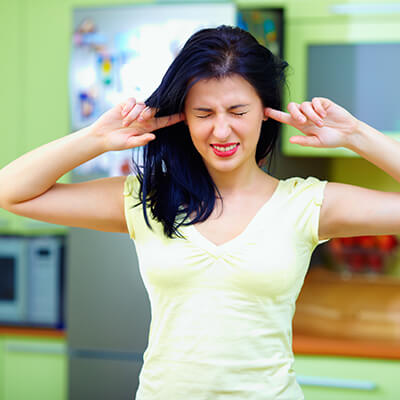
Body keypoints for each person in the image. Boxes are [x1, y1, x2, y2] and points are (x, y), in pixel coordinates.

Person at [0, 25, 399, 399]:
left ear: (265, 111)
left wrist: (356, 136)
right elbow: (11, 192)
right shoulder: (148, 200)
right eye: (203, 114)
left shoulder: (306, 204)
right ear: (183, 117)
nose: (221, 131)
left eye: (237, 112)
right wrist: (95, 138)